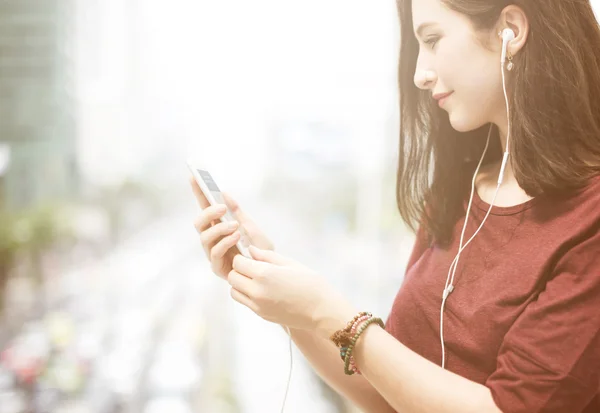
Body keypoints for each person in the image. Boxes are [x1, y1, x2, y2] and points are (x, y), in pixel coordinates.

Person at [190, 0, 600, 412]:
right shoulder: (457, 192)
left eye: (434, 39)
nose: (421, 74)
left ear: (509, 28)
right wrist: (283, 296)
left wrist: (325, 311)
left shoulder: (590, 219)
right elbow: (387, 396)